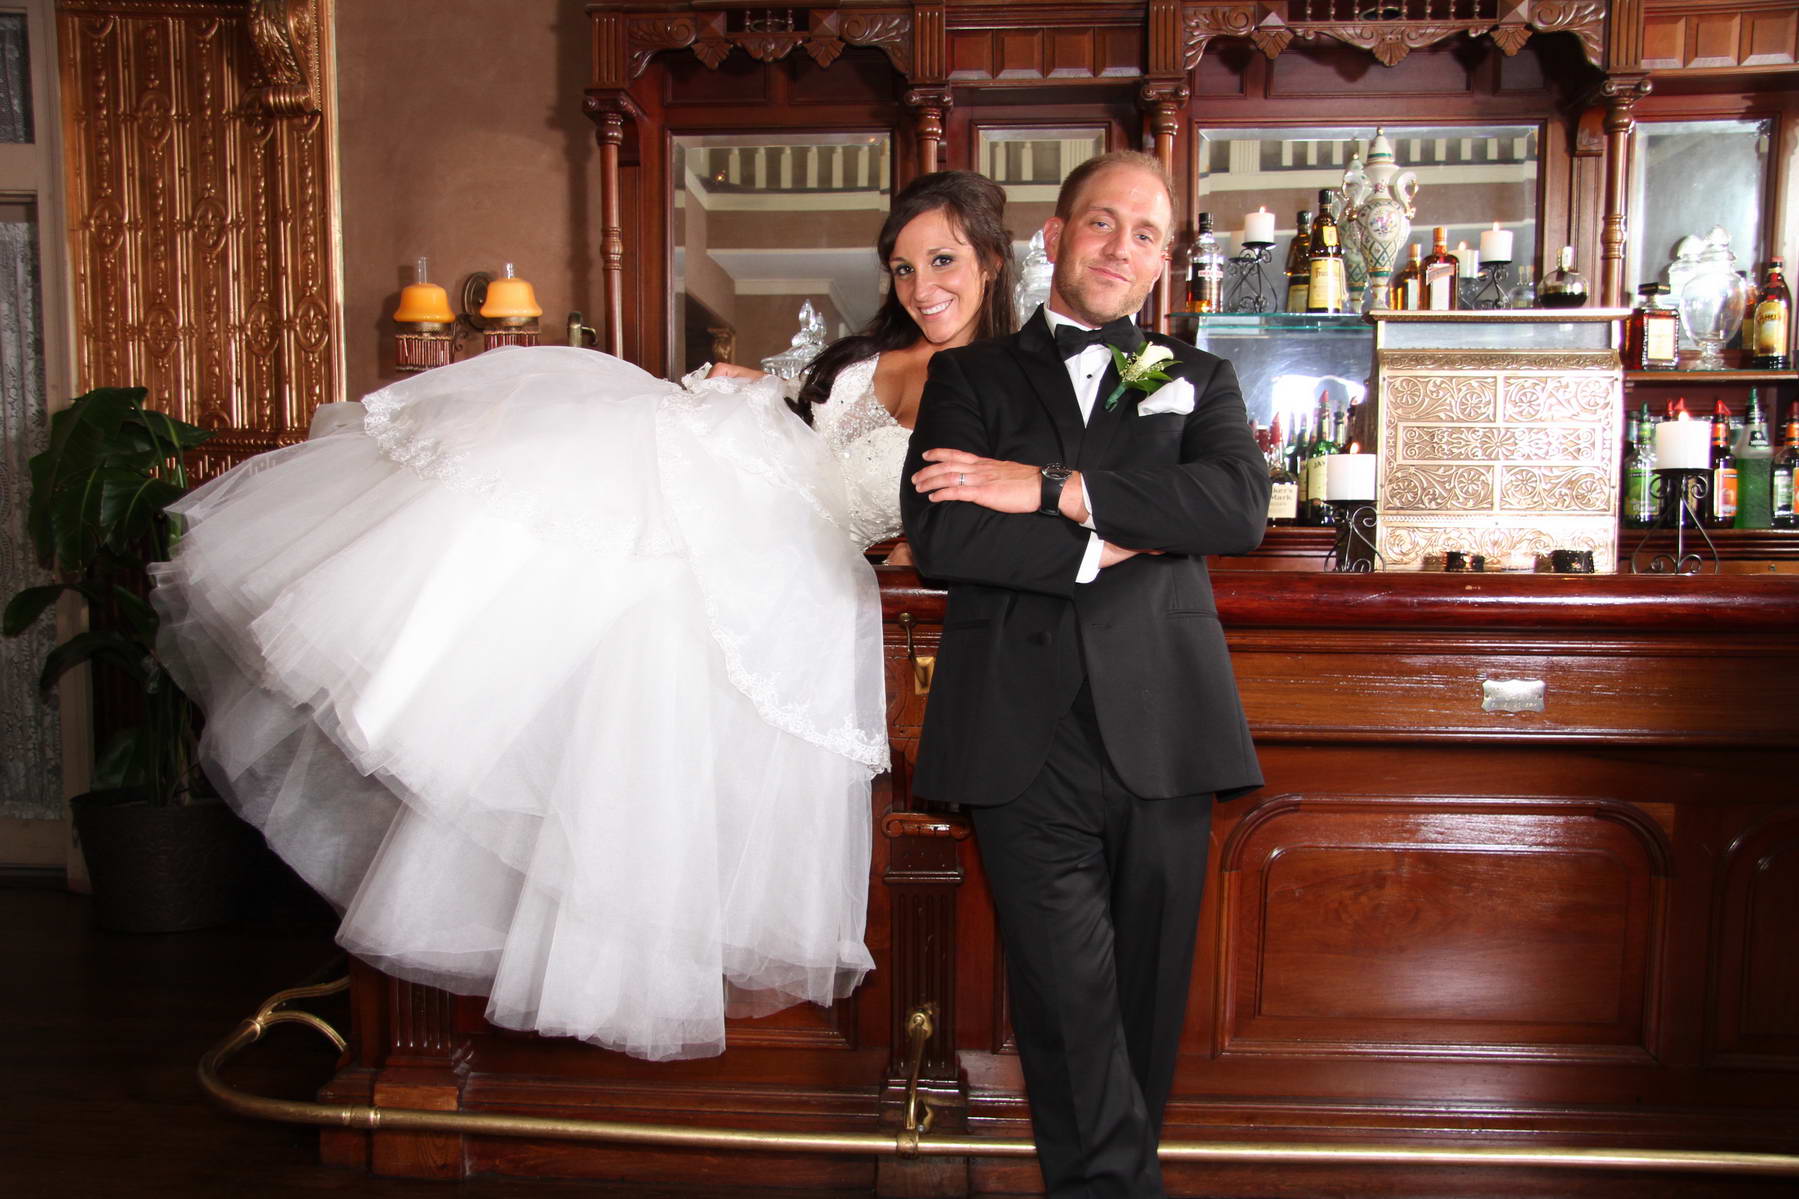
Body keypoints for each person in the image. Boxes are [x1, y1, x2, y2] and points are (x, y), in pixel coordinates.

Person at [150, 170, 1016, 1062]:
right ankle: (398, 692)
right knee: (542, 486)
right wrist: (761, 384)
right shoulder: (871, 353)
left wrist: (912, 545)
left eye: (942, 260)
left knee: (624, 626)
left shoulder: (1001, 384)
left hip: (787, 544)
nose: (922, 286)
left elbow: (957, 507)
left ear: (991, 258)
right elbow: (820, 424)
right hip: (749, 477)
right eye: (903, 267)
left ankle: (460, 754)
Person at [899, 151, 1269, 1196]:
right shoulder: (970, 377)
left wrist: (1053, 489)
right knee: (1066, 1002)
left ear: (1161, 263)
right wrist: (1102, 539)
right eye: (1101, 223)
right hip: (1024, 738)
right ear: (1053, 238)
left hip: (1165, 726)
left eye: (1145, 234)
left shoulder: (1188, 376)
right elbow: (941, 533)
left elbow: (1232, 510)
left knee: (1143, 1009)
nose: (1121, 247)